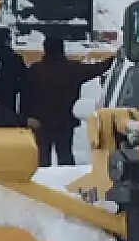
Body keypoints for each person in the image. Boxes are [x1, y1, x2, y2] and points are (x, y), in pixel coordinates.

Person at [21, 36, 115, 167]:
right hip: (64, 121)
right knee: (65, 156)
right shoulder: (71, 69)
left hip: (40, 122)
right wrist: (114, 59)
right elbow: (96, 69)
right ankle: (67, 181)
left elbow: (26, 95)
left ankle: (41, 182)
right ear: (62, 49)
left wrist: (26, 117)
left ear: (45, 49)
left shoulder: (35, 70)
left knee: (42, 158)